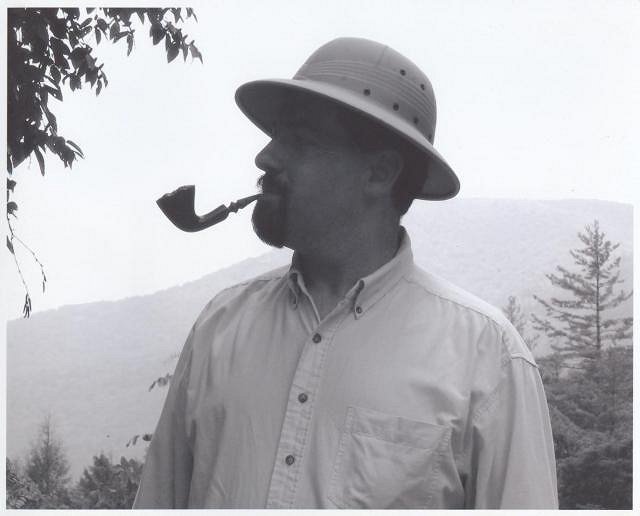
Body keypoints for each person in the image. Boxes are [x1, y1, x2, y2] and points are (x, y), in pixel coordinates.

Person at [133, 37, 558, 509]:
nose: (266, 157)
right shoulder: (220, 325)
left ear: (379, 173)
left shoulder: (487, 357)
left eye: (300, 140)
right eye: (276, 136)